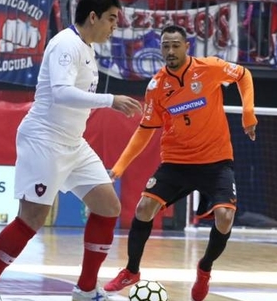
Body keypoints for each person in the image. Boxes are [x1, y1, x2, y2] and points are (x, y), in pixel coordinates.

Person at [0, 0, 143, 301]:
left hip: (73, 143)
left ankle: (86, 291)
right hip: (44, 139)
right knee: (31, 219)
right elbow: (60, 92)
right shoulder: (65, 43)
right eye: (112, 18)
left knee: (108, 207)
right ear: (92, 16)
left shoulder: (87, 48)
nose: (115, 25)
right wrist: (109, 100)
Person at [103, 24, 257, 301]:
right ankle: (131, 270)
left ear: (187, 46)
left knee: (225, 217)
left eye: (176, 45)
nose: (170, 51)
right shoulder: (156, 86)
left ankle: (204, 269)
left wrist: (248, 112)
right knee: (144, 207)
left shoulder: (209, 68)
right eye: (165, 46)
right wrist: (118, 167)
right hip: (177, 161)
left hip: (216, 160)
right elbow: (145, 130)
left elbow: (244, 75)